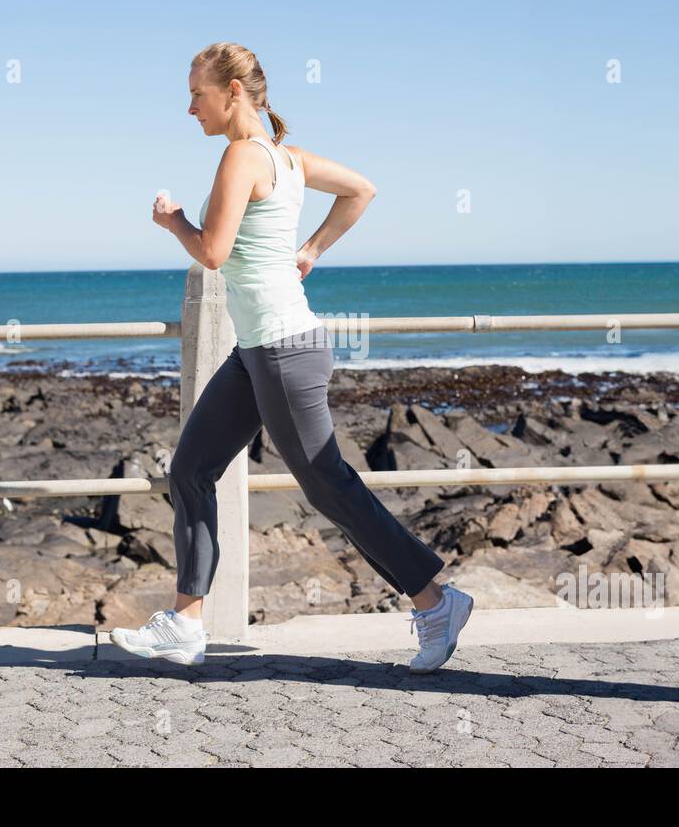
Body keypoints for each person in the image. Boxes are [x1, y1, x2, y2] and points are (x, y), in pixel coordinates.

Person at [109, 42, 472, 672]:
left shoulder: (243, 156)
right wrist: (311, 251)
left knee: (330, 488)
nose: (189, 106)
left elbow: (215, 253)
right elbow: (361, 189)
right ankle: (188, 623)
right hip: (259, 352)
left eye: (197, 93)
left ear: (233, 93)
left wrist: (172, 221)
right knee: (190, 469)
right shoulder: (287, 158)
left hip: (282, 351)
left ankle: (435, 602)